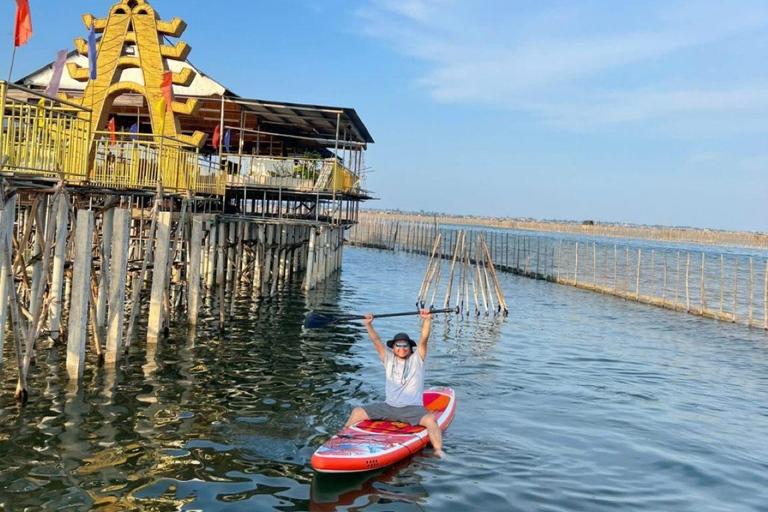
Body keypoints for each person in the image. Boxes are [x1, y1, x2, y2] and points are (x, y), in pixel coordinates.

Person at [345, 308, 446, 458]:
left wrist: (427, 320)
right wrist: (368, 324)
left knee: (431, 420)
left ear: (410, 348)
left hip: (412, 409)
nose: (402, 348)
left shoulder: (417, 359)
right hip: (388, 407)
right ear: (393, 348)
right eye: (398, 345)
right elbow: (376, 341)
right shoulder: (389, 358)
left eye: (405, 345)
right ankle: (340, 439)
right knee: (357, 412)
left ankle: (438, 451)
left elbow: (424, 338)